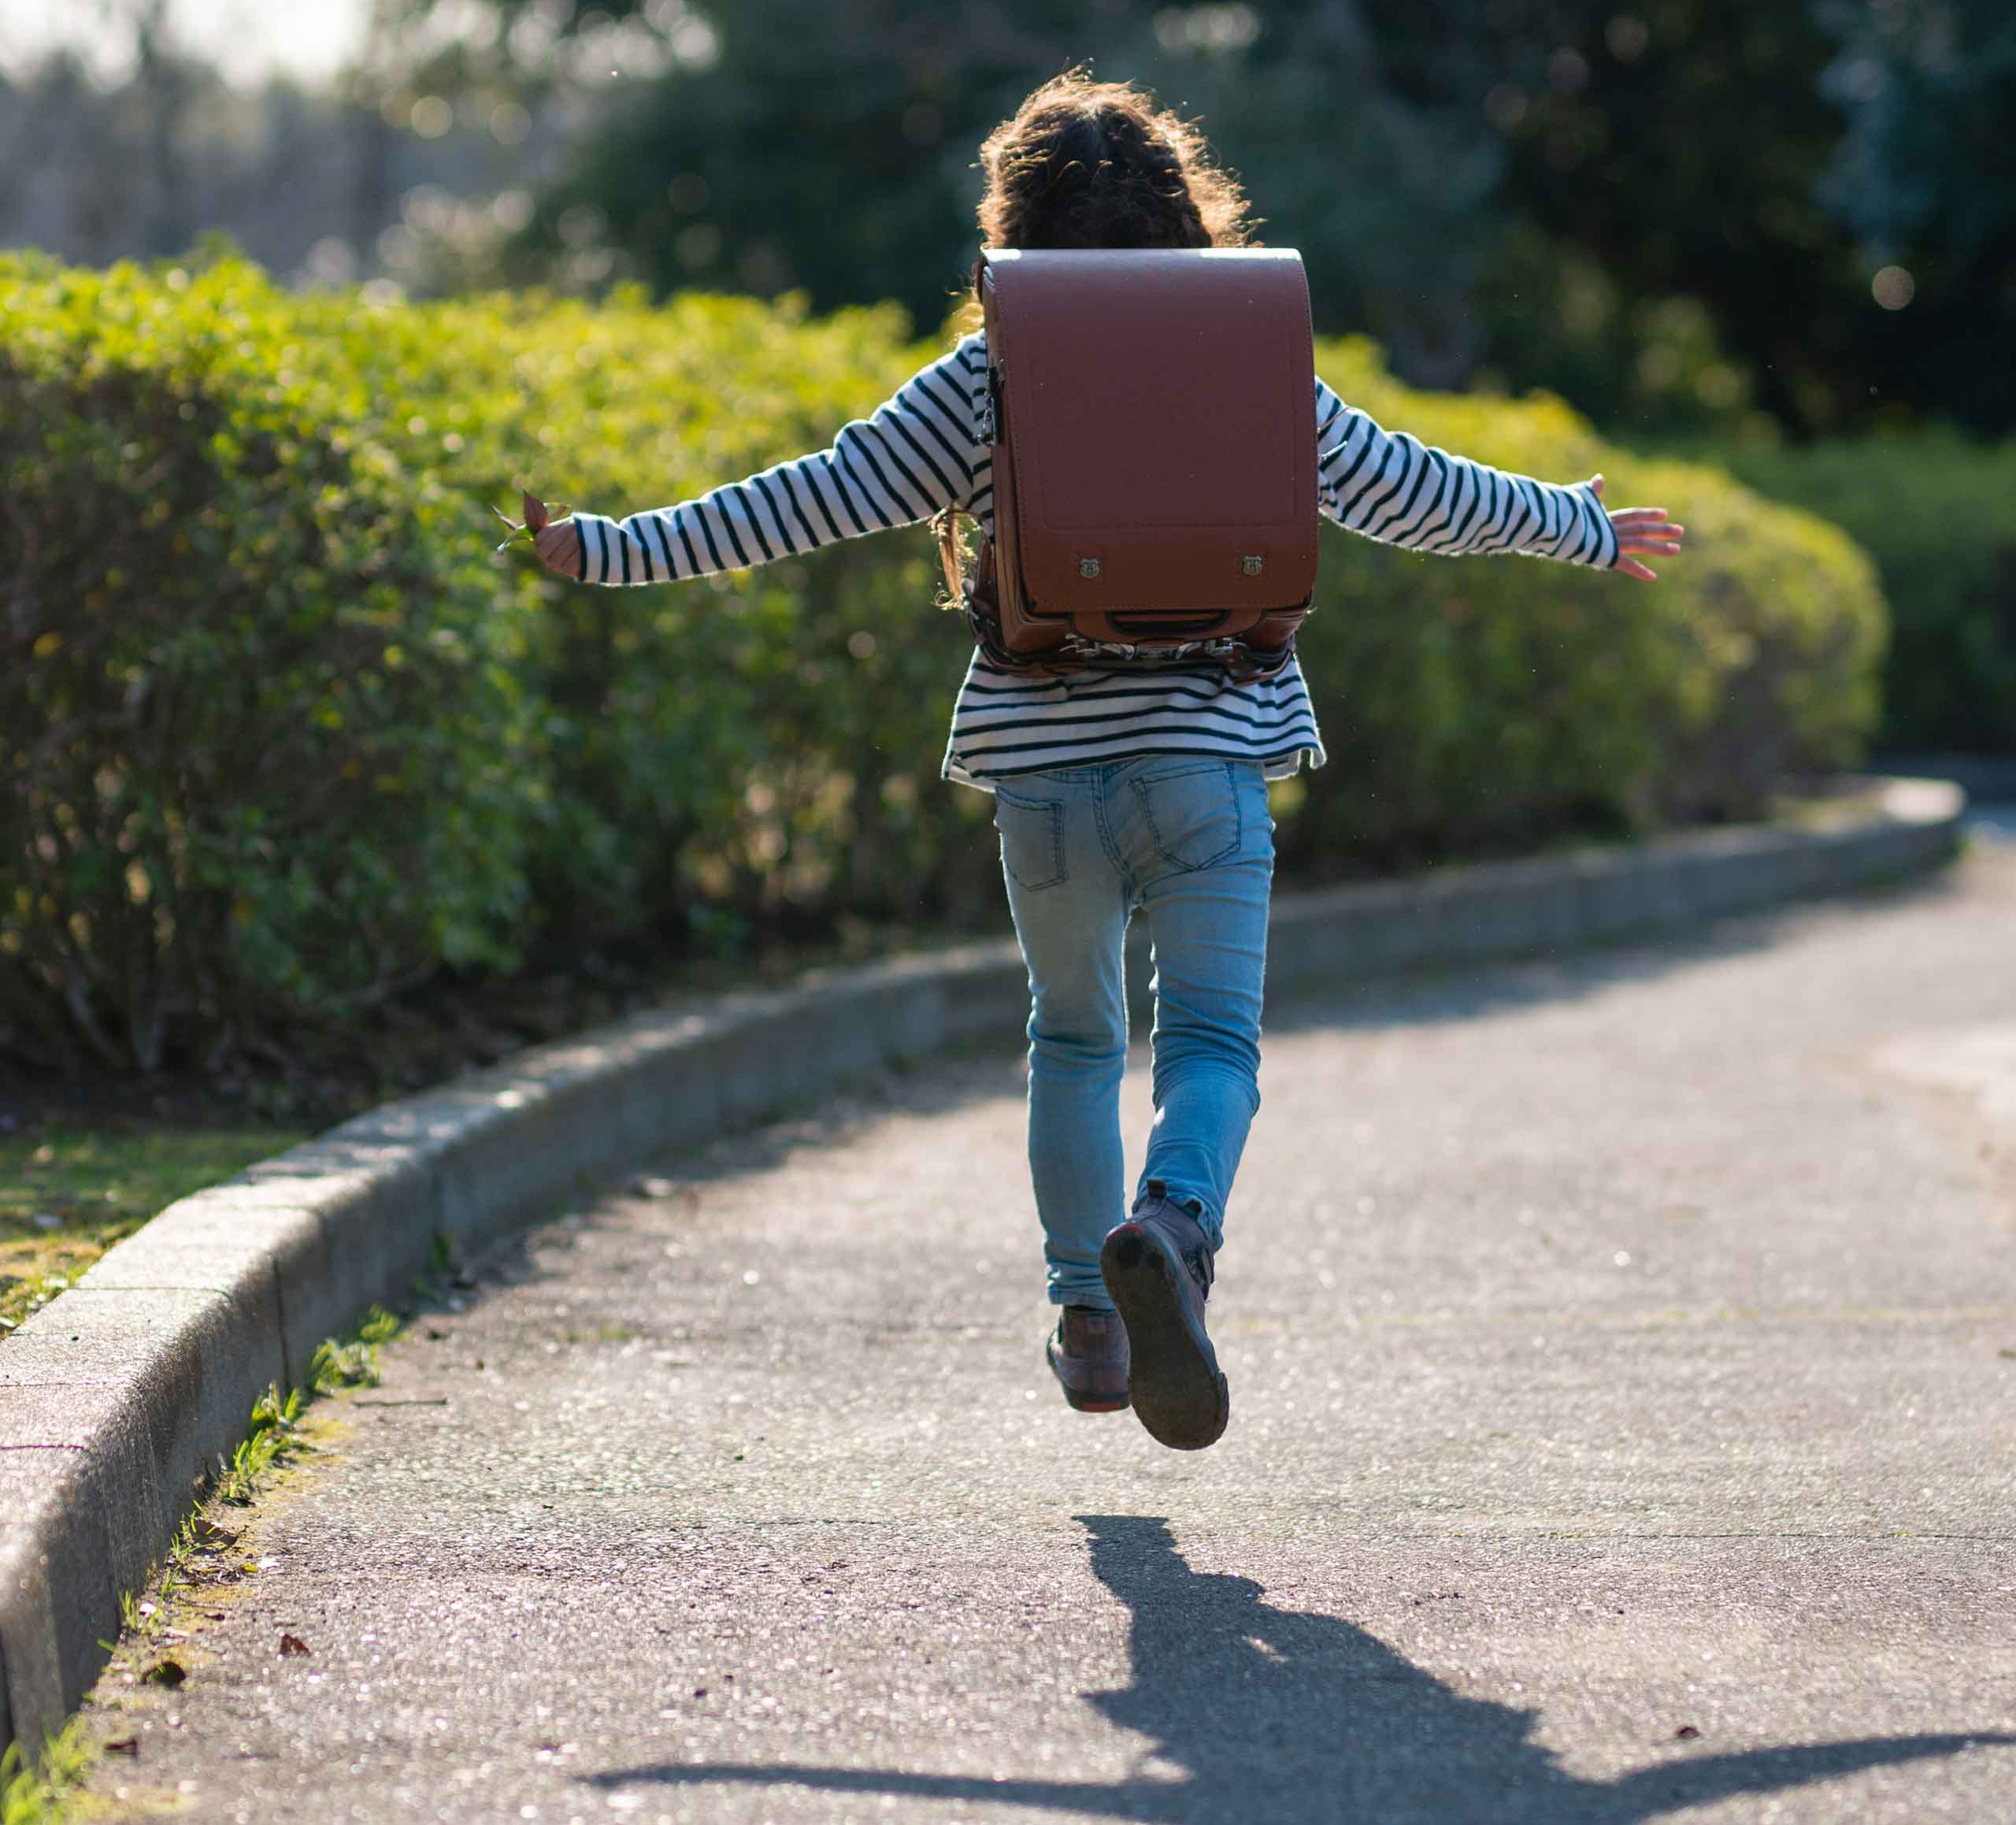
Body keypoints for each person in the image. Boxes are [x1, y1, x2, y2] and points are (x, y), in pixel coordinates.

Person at [513, 74, 1682, 1450]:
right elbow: (1404, 489)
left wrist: (606, 544)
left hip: (1043, 771)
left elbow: (808, 498)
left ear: (1014, 224)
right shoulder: (1252, 366)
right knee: (1210, 1044)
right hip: (1205, 760)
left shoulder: (987, 377)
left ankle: (1087, 1314)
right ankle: (1173, 1229)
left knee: (1071, 1039)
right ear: (1186, 217)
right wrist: (1576, 525)